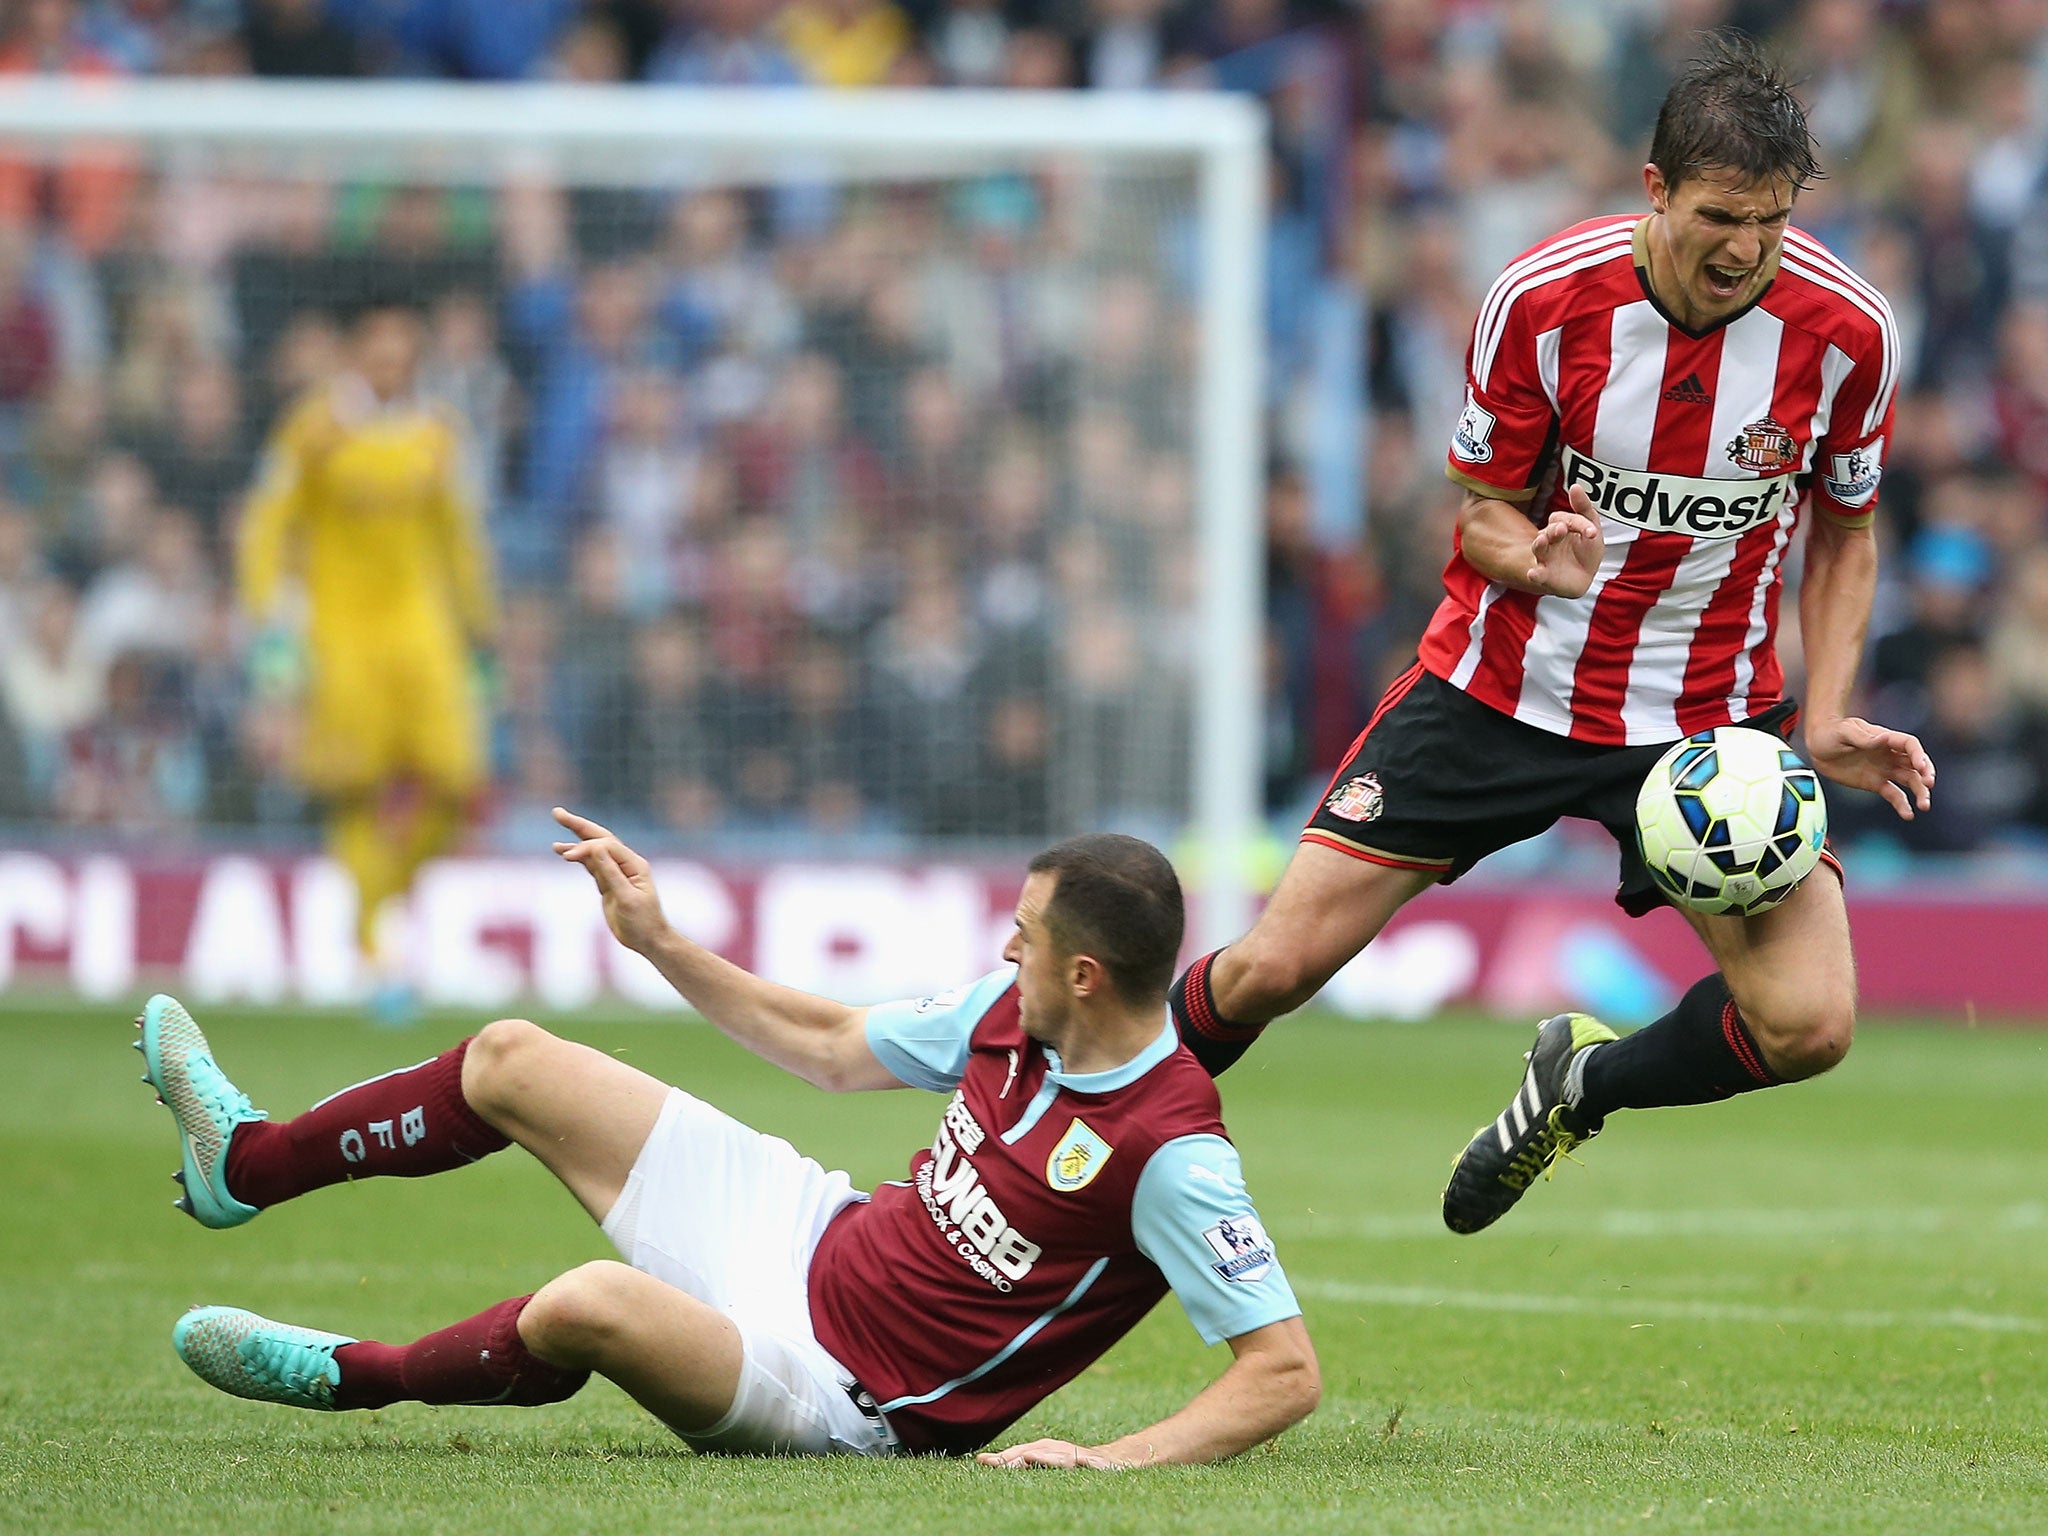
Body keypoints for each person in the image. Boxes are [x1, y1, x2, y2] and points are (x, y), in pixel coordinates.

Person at [1168, 33, 1937, 1236]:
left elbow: (1844, 534)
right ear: (1654, 188)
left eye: (1771, 221)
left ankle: (1580, 1087)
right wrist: (1531, 557)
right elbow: (1478, 514)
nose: (1744, 249)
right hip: (1499, 689)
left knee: (1808, 1025)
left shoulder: (1846, 332)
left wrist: (1829, 707)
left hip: (1703, 727)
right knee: (1272, 967)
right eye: (1718, 216)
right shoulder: (1540, 299)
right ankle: (1052, 1143)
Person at [138, 812, 1319, 1466]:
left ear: (1085, 972)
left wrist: (1102, 1461)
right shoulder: (1006, 1011)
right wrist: (658, 942)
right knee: (510, 1058)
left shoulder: (1171, 1152)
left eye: (1024, 934)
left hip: (845, 1400)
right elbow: (828, 1044)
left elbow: (1282, 1373)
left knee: (589, 1303)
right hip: (807, 1233)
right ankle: (245, 1164)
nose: (1004, 949)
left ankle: (355, 1379)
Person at [236, 297, 497, 1017]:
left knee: (459, 781)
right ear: (355, 356)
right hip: (342, 635)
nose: (391, 367)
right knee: (357, 789)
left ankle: (379, 904)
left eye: (403, 355)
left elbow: (461, 536)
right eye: (379, 354)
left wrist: (482, 628)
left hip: (425, 634)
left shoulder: (440, 435)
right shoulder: (313, 429)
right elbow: (268, 523)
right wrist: (270, 621)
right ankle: (375, 949)